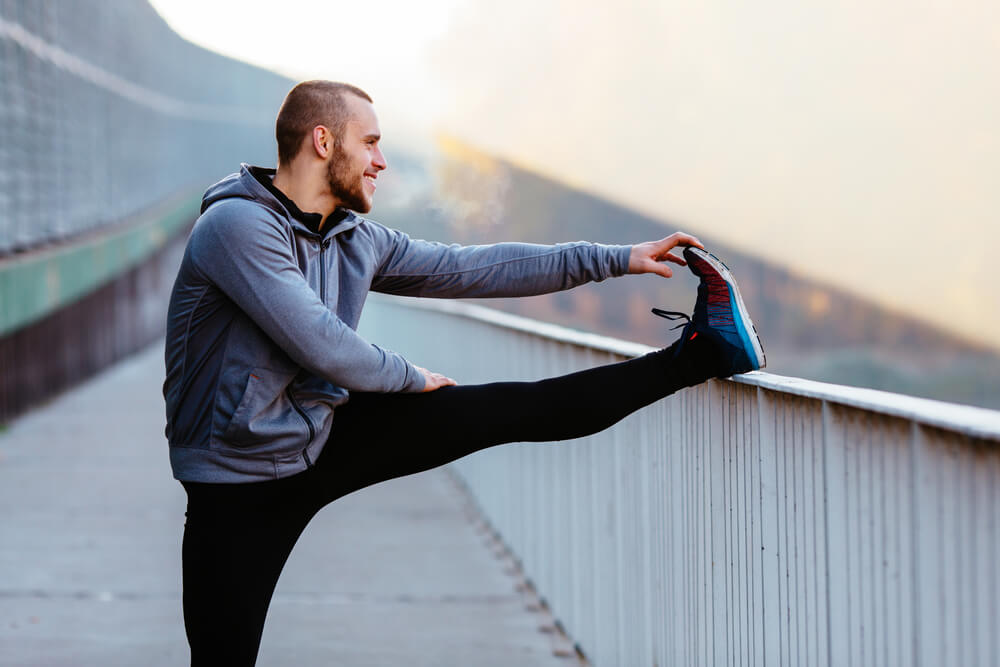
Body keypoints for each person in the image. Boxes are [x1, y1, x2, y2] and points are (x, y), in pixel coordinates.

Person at [163, 80, 765, 666]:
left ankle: (704, 352)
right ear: (323, 142)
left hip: (318, 440)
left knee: (508, 408)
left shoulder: (353, 238)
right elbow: (321, 343)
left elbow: (470, 269)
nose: (381, 161)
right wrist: (408, 377)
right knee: (223, 657)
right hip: (233, 484)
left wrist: (613, 260)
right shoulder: (236, 227)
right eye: (369, 143)